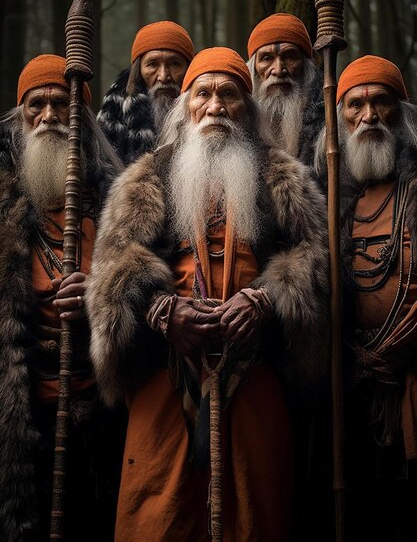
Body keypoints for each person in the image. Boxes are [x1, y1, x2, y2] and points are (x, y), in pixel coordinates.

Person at [87, 46, 330, 542]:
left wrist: (267, 298)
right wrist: (158, 309)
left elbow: (316, 259)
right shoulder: (146, 178)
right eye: (203, 94)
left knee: (256, 513)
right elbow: (112, 266)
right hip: (165, 374)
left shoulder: (283, 177)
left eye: (228, 95)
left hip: (254, 373)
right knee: (157, 512)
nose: (215, 106)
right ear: (187, 105)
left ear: (247, 106)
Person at [0, 54, 125, 542]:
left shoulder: (114, 201)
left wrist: (101, 294)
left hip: (98, 412)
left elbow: (146, 293)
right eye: (38, 105)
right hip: (21, 417)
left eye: (62, 105)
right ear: (21, 116)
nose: (50, 115)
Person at [314, 54, 417, 542]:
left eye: (381, 103)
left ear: (402, 113)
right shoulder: (338, 205)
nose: (369, 116)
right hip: (354, 383)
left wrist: (404, 345)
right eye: (355, 105)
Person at [98, 20, 194, 164]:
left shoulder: (208, 109)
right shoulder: (114, 113)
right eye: (152, 64)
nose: (163, 76)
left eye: (174, 64)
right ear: (139, 71)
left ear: (189, 69)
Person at [247, 12, 324, 165]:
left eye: (289, 57)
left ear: (305, 67)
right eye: (267, 58)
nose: (278, 70)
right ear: (254, 69)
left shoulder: (328, 122)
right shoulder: (240, 120)